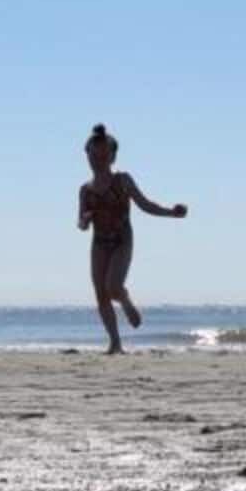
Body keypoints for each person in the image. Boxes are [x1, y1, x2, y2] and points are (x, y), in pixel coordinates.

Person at [77, 122, 187, 354]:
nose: (97, 159)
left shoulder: (123, 180)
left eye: (103, 155)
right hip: (99, 243)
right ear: (87, 155)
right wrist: (85, 220)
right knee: (100, 294)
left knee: (113, 287)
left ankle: (125, 300)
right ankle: (115, 342)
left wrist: (170, 212)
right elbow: (81, 224)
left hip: (122, 240)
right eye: (93, 155)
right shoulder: (85, 190)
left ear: (113, 157)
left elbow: (145, 205)